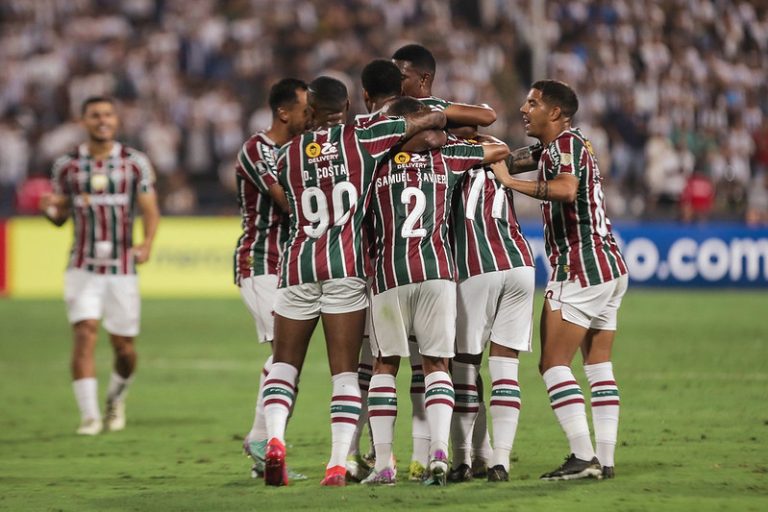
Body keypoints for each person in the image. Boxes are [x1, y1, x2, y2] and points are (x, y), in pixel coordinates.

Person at [261, 76, 446, 487]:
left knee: (283, 366)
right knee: (344, 373)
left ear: (309, 112)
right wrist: (436, 115)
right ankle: (336, 463)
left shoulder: (284, 154)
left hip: (297, 265)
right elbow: (416, 123)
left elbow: (286, 200)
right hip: (345, 266)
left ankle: (275, 440)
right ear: (346, 108)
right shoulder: (363, 138)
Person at [362, 96, 510, 486]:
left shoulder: (374, 166)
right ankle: (440, 454)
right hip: (438, 275)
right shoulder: (449, 159)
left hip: (390, 274)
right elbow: (500, 149)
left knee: (385, 366)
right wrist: (446, 138)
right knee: (437, 366)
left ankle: (383, 464)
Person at [491, 80, 628, 481]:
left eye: (532, 103)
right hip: (609, 265)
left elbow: (566, 190)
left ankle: (582, 456)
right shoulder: (565, 144)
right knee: (598, 365)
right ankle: (604, 458)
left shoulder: (564, 146)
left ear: (555, 113)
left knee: (552, 363)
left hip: (580, 265)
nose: (523, 108)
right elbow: (507, 158)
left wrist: (510, 184)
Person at [392, 43, 502, 478]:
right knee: (435, 364)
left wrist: (433, 112)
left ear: (422, 80)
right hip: (423, 262)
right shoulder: (388, 129)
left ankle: (477, 453)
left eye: (400, 75)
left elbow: (487, 115)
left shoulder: (443, 140)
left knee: (459, 363)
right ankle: (435, 455)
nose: (392, 80)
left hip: (445, 263)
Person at [39, 96, 160, 435]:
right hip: (82, 266)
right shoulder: (67, 165)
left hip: (122, 268)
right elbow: (59, 216)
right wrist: (48, 209)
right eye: (95, 116)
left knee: (124, 348)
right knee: (84, 333)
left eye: (107, 114)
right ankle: (90, 416)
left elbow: (150, 209)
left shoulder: (135, 163)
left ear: (116, 121)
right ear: (83, 121)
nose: (102, 120)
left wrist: (146, 242)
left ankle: (115, 398)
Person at [448, 134, 538, 483]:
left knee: (465, 366)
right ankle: (499, 461)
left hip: (476, 266)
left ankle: (462, 461)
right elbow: (533, 156)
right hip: (521, 265)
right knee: (505, 367)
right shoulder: (501, 159)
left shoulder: (446, 164)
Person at [234, 78, 310, 480]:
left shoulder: (300, 148)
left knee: (288, 356)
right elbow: (285, 198)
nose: (309, 115)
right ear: (284, 112)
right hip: (261, 262)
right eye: (304, 108)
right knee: (284, 355)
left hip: (292, 263)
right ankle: (262, 438)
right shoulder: (257, 149)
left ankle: (262, 436)